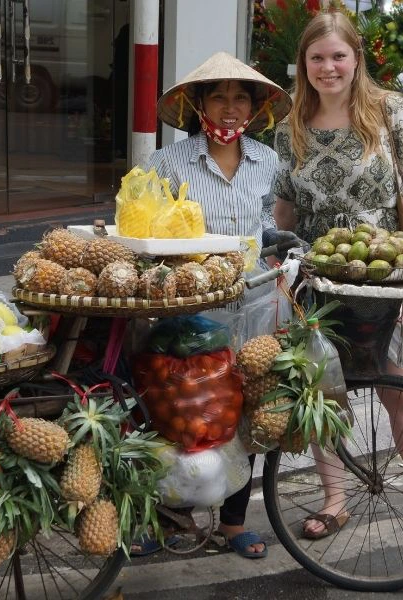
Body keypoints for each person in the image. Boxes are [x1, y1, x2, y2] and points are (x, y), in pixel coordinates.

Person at [272, 10, 403, 541]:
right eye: (317, 58)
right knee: (324, 391)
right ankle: (334, 500)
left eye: (338, 56)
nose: (328, 68)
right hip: (316, 278)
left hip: (386, 276)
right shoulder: (289, 125)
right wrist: (276, 261)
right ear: (303, 64)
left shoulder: (390, 113)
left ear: (357, 59)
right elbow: (285, 210)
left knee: (402, 390)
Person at [138, 52, 293, 559]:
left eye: (241, 97)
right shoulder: (167, 163)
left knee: (243, 411)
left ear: (253, 106)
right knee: (176, 409)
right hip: (191, 306)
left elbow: (260, 225)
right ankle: (164, 518)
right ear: (198, 104)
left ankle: (232, 523)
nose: (230, 108)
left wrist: (283, 245)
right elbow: (147, 233)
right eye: (220, 97)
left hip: (253, 301)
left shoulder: (267, 160)